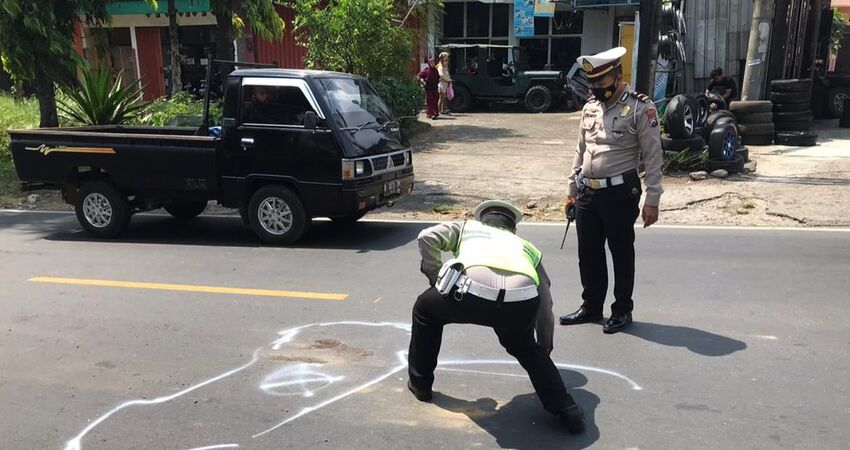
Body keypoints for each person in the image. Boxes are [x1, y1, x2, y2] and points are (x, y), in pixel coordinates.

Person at [407, 200, 585, 433]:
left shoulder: (467, 228)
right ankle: (565, 407)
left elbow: (426, 236)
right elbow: (546, 302)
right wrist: (543, 348)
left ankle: (421, 385)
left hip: (468, 295)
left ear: (482, 220)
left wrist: (435, 277)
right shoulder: (526, 247)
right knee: (525, 348)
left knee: (425, 310)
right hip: (520, 302)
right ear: (513, 229)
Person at [559, 47, 663, 334]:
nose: (596, 89)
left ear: (618, 79)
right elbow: (581, 151)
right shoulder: (590, 106)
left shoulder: (642, 108)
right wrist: (571, 189)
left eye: (601, 84)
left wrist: (652, 200)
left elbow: (653, 156)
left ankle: (622, 310)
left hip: (620, 192)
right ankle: (591, 306)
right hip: (588, 192)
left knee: (620, 252)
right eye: (592, 84)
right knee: (588, 253)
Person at [437, 52, 453, 116]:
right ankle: (438, 111)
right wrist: (448, 80)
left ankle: (443, 110)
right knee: (441, 98)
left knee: (444, 98)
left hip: (445, 84)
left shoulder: (445, 66)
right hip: (441, 84)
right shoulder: (440, 67)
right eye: (445, 59)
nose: (446, 61)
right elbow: (441, 75)